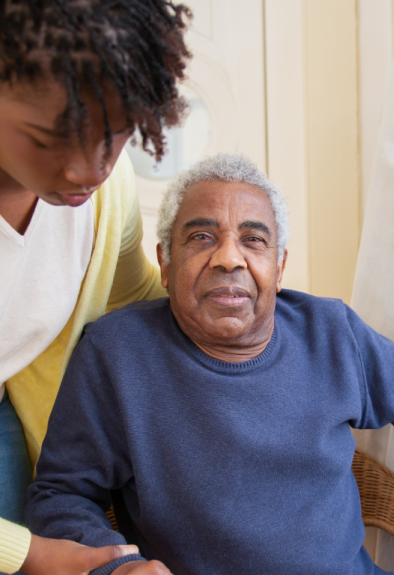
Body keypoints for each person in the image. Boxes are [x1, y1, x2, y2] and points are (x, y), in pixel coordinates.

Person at [26, 154, 394, 575]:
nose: (229, 258)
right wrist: (117, 567)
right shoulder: (116, 353)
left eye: (253, 240)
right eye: (202, 237)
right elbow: (59, 496)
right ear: (165, 263)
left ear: (279, 268)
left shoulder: (333, 333)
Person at [0, 1, 192, 573]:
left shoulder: (107, 196)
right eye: (46, 139)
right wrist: (30, 554)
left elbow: (136, 298)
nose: (88, 170)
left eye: (114, 136)